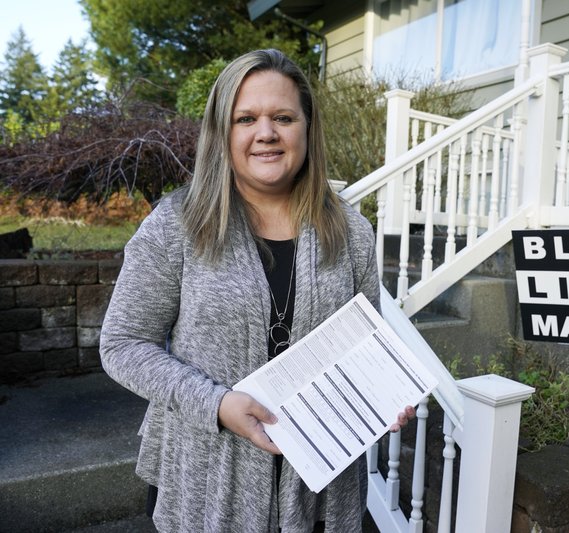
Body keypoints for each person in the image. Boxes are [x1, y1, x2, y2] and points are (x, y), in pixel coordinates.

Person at [100, 49, 415, 533]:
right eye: (245, 118)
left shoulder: (351, 230)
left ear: (307, 129)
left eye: (283, 117)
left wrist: (381, 396)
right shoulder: (177, 225)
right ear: (222, 133)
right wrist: (217, 404)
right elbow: (123, 344)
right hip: (206, 478)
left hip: (318, 483)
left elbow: (363, 346)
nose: (266, 133)